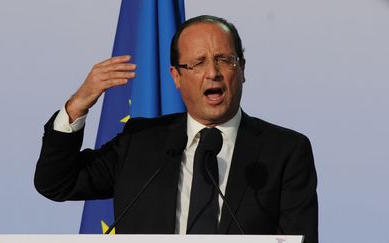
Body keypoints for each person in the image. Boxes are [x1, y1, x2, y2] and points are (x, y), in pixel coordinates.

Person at [35, 15, 318, 242]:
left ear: (242, 69)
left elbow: (300, 238)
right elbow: (57, 182)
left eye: (224, 60)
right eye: (198, 62)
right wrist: (78, 105)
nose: (213, 72)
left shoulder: (285, 151)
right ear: (177, 77)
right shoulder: (140, 142)